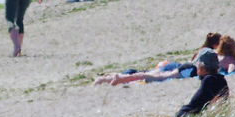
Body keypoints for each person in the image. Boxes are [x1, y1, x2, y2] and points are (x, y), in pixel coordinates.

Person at [64, 50, 229, 117]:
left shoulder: (211, 81)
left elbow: (197, 107)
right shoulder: (218, 81)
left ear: (201, 67)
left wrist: (185, 115)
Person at [92, 33, 220, 86]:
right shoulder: (209, 56)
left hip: (185, 67)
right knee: (153, 75)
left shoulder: (204, 51)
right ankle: (120, 78)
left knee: (153, 73)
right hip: (185, 69)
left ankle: (107, 78)